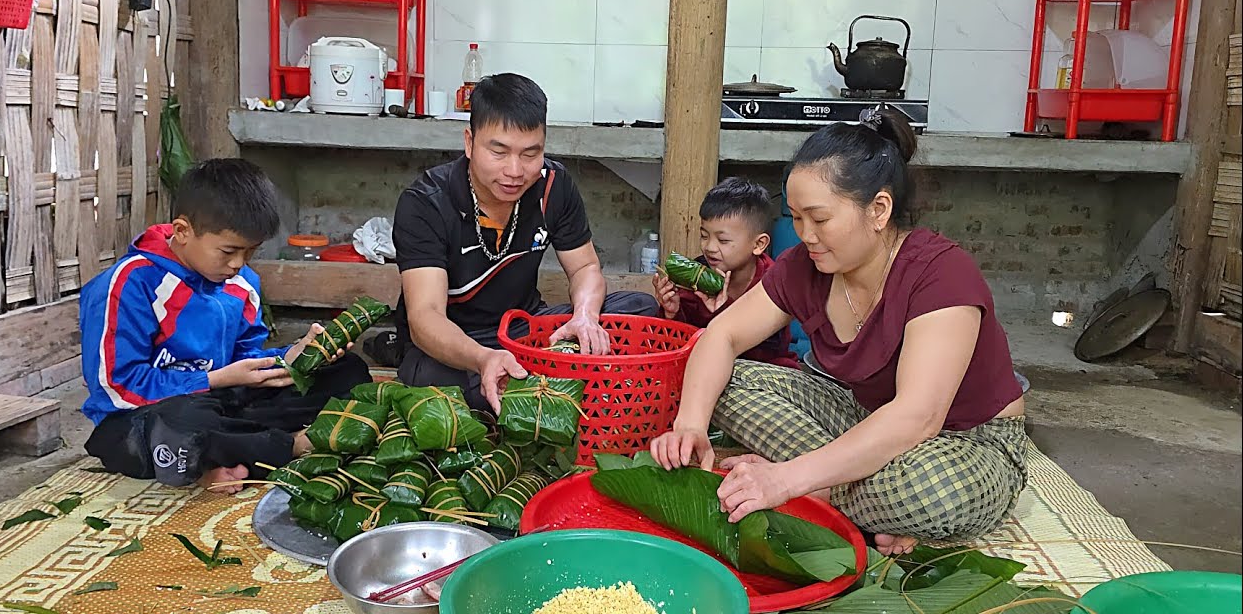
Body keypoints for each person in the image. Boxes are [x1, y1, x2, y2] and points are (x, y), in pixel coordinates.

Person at [649, 107, 1027, 556]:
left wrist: (785, 479)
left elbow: (917, 417)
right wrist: (690, 425)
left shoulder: (940, 273)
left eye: (820, 218)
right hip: (864, 416)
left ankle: (821, 489)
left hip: (965, 442)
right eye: (796, 218)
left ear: (879, 210)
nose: (805, 235)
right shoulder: (806, 267)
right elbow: (722, 335)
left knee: (934, 496)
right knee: (723, 379)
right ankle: (850, 490)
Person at [79, 159, 370, 493]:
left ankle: (227, 456)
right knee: (181, 425)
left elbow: (245, 360)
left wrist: (293, 357)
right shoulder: (129, 284)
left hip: (224, 399)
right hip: (141, 416)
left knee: (348, 371)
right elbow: (118, 387)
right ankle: (290, 447)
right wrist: (214, 379)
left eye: (250, 252)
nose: (238, 264)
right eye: (229, 251)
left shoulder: (242, 283)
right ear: (183, 231)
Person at [392, 73, 658, 413]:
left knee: (638, 308)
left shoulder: (553, 186)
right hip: (460, 344)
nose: (515, 171)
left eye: (531, 153)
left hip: (525, 330)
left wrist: (585, 316)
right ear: (470, 142)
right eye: (499, 152)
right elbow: (425, 317)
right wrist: (484, 358)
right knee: (441, 383)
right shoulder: (427, 202)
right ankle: (540, 382)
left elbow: (585, 268)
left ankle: (529, 379)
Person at [652, 177, 799, 369]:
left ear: (758, 244)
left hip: (763, 367)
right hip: (708, 367)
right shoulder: (698, 275)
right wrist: (672, 312)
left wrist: (722, 316)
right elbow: (682, 340)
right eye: (704, 236)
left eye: (723, 240)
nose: (710, 247)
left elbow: (767, 347)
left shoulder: (772, 282)